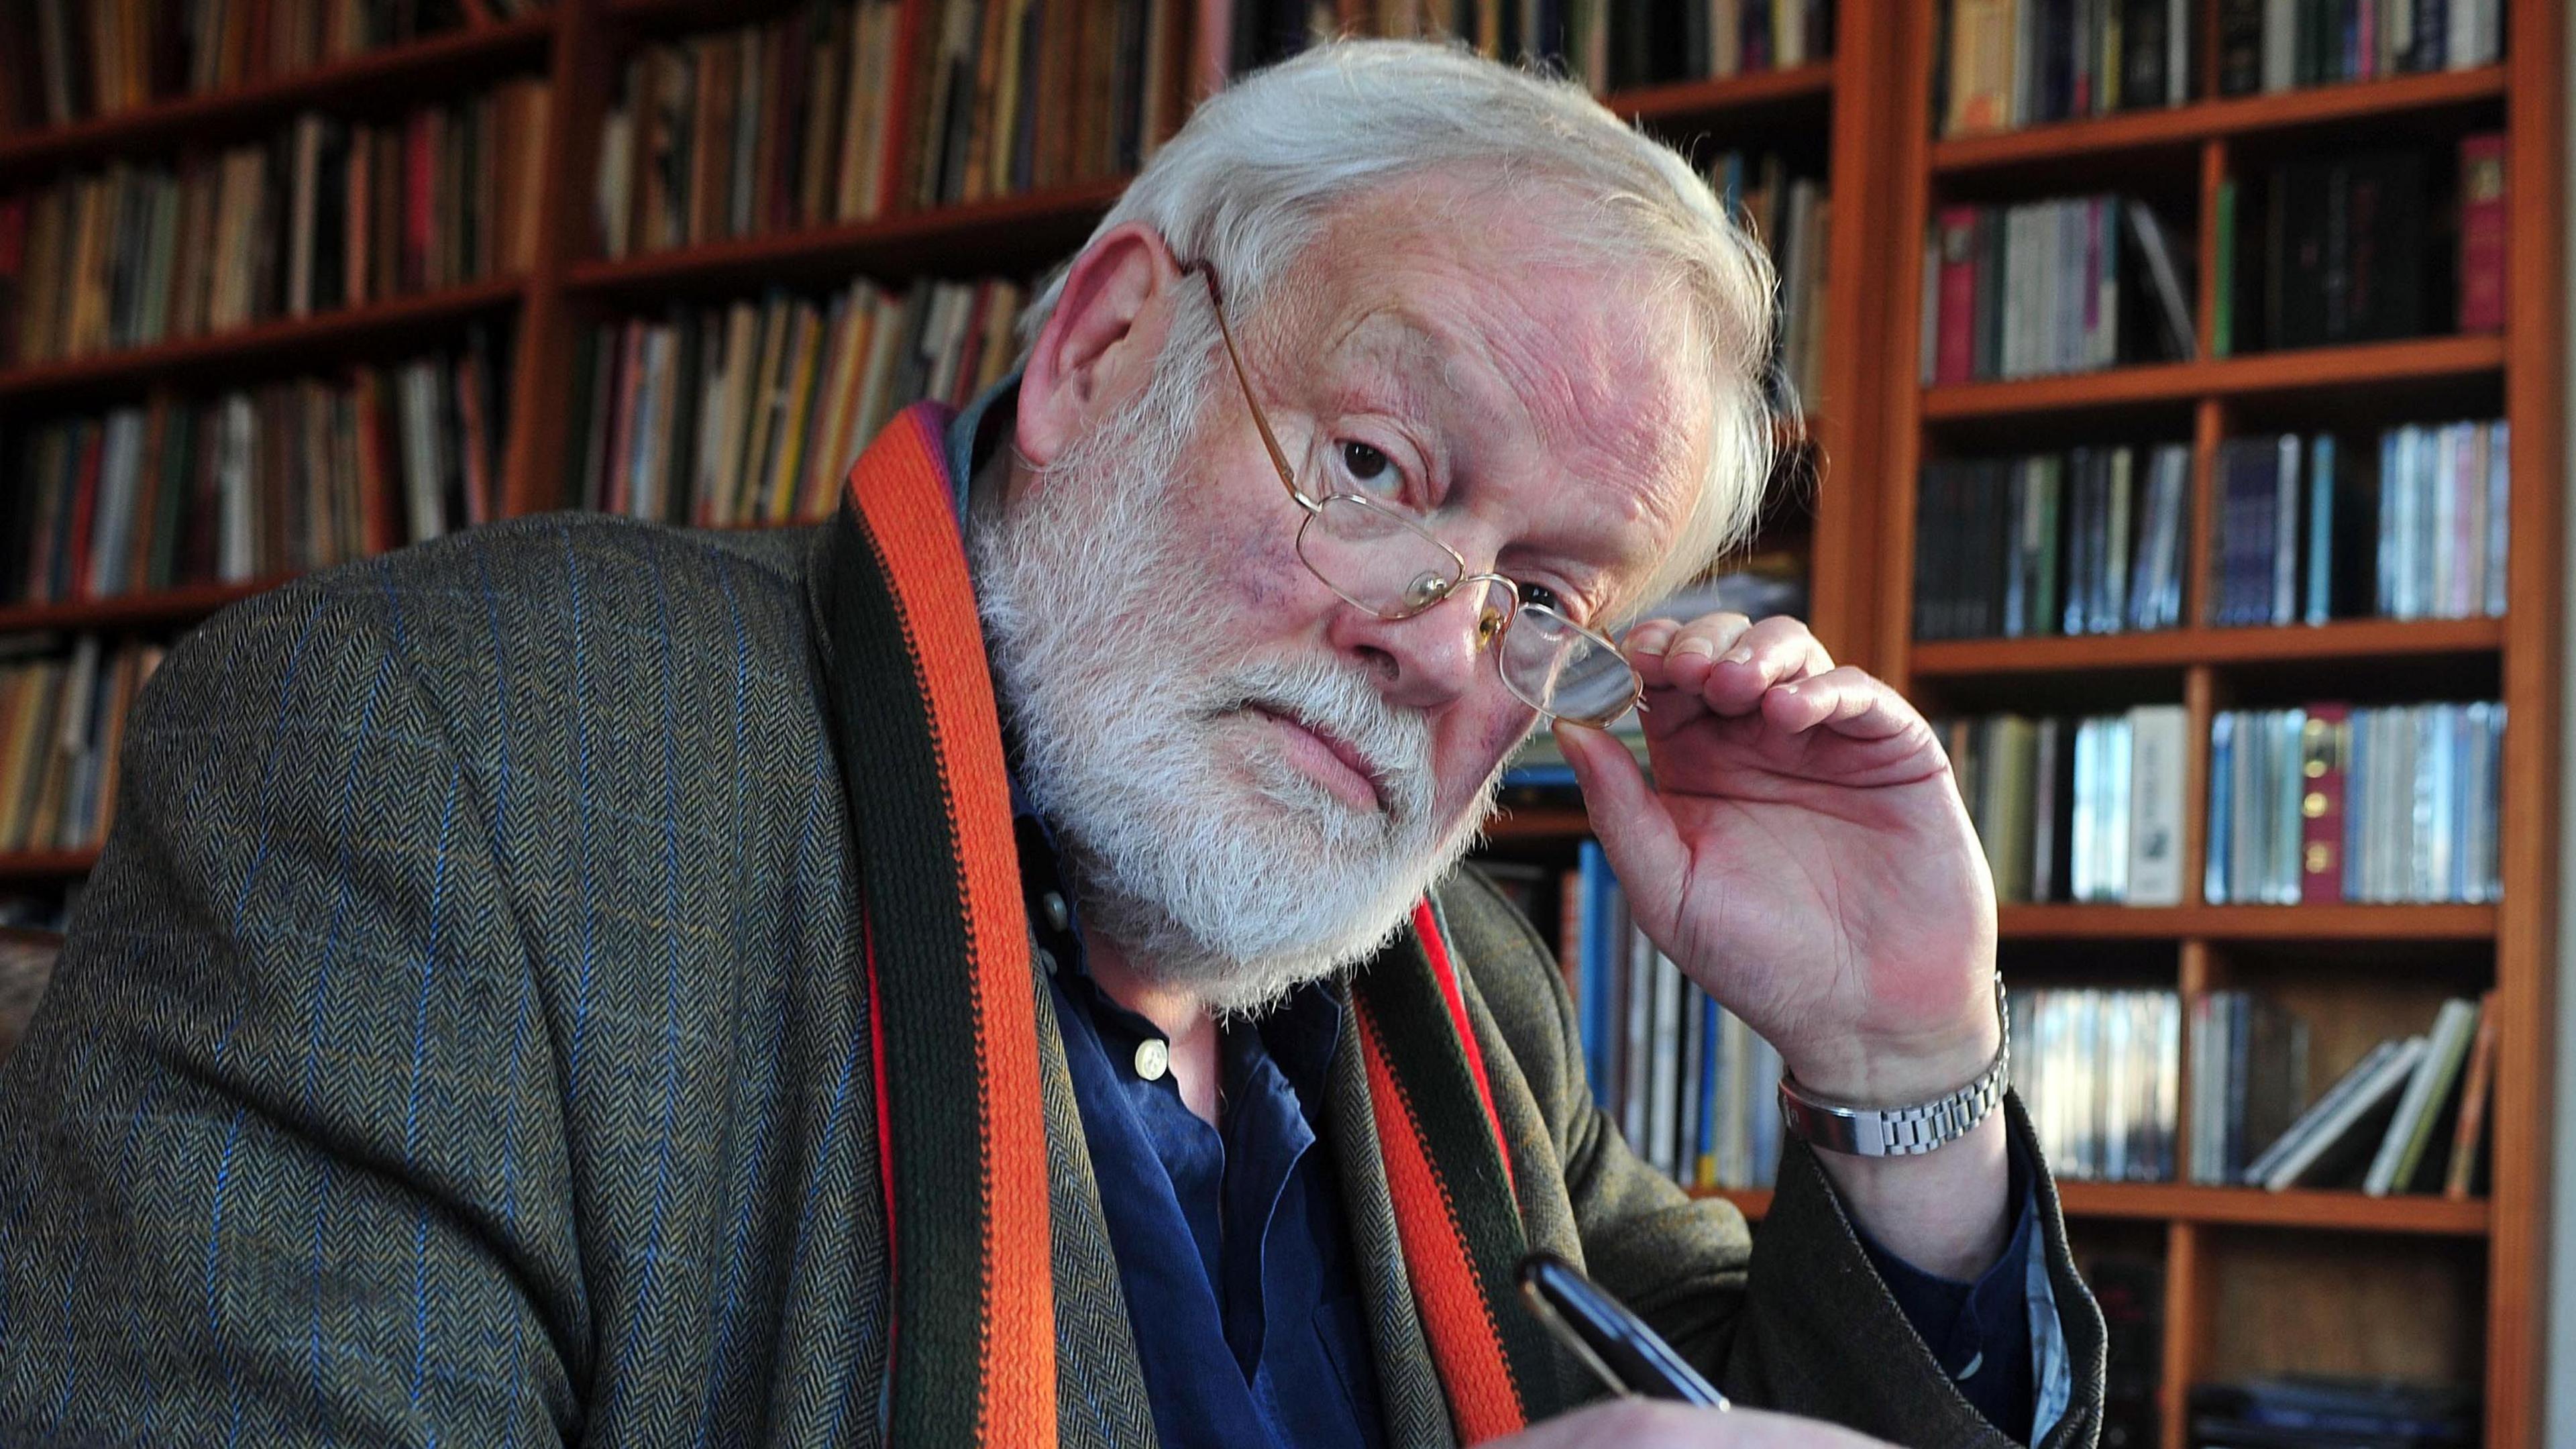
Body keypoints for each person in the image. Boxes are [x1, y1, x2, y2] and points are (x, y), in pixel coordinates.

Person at [0, 39, 2102, 1449]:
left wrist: (1902, 1060)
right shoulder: (461, 761)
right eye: (1376, 461)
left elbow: (1754, 1398)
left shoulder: (1474, 995)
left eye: (1554, 597)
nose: (1441, 644)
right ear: (1105, 347)